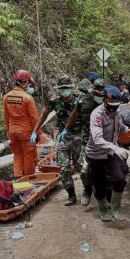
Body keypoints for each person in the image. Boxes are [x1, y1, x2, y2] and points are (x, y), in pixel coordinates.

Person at [30, 75, 86, 206]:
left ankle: (87, 190)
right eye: (62, 89)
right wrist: (34, 131)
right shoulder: (54, 101)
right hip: (63, 137)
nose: (65, 91)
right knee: (64, 167)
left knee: (80, 167)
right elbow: (43, 115)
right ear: (58, 90)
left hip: (78, 135)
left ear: (71, 88)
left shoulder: (80, 100)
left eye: (67, 88)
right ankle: (71, 195)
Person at [85, 85, 129, 222]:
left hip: (111, 151)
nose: (114, 108)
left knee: (120, 178)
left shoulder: (117, 112)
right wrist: (115, 148)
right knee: (99, 184)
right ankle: (103, 209)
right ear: (104, 100)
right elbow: (97, 139)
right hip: (96, 154)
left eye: (116, 105)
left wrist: (126, 129)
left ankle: (115, 208)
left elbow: (119, 126)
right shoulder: (97, 114)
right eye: (111, 105)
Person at [62, 78, 106, 206]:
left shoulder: (109, 100)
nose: (99, 95)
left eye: (101, 93)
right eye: (96, 93)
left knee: (107, 171)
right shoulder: (84, 101)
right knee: (84, 169)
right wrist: (65, 129)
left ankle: (105, 197)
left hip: (106, 140)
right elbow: (74, 115)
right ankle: (87, 189)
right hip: (88, 140)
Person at [4, 70, 41, 178]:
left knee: (17, 155)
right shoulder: (27, 98)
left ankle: (18, 178)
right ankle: (28, 180)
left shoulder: (6, 97)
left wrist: (8, 130)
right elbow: (35, 118)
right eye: (29, 83)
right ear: (24, 83)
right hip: (26, 132)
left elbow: (6, 117)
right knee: (29, 156)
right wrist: (39, 133)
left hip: (12, 131)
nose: (30, 86)